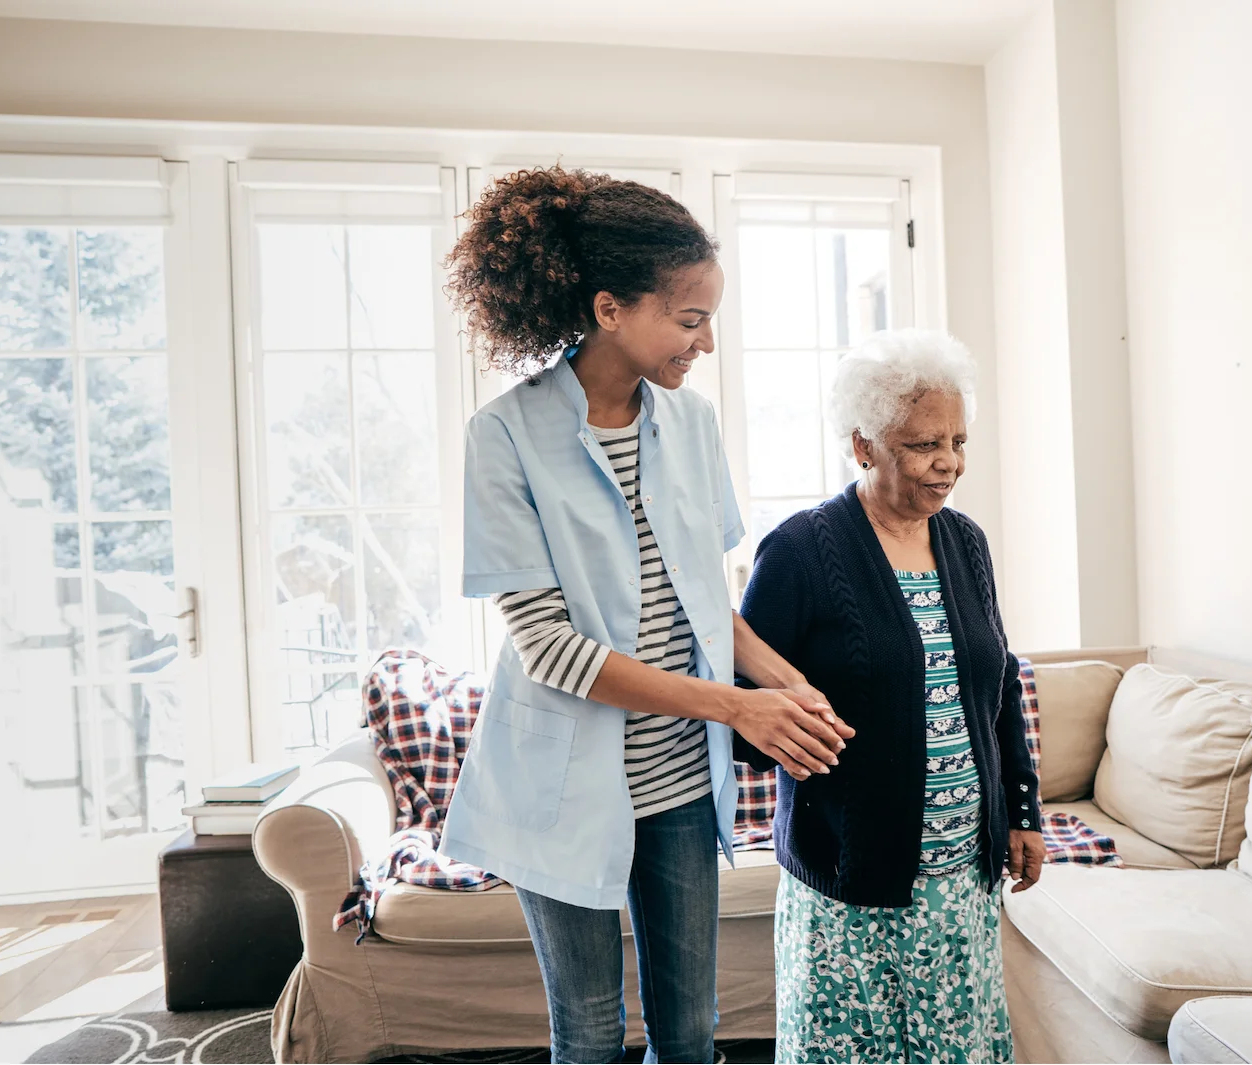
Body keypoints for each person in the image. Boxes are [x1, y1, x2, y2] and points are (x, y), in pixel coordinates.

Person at [437, 167, 856, 1065]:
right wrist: (737, 706)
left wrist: (791, 686)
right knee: (588, 1033)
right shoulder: (504, 436)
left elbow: (711, 605)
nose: (705, 341)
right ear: (611, 308)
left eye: (710, 318)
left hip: (677, 782)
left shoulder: (692, 423)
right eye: (690, 317)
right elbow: (550, 650)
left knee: (691, 1032)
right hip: (565, 786)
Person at [735, 328, 1044, 1064]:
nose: (949, 463)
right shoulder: (801, 550)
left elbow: (996, 684)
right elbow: (745, 709)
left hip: (960, 884)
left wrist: (1024, 809)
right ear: (864, 444)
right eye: (922, 444)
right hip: (849, 880)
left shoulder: (966, 542)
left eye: (958, 440)